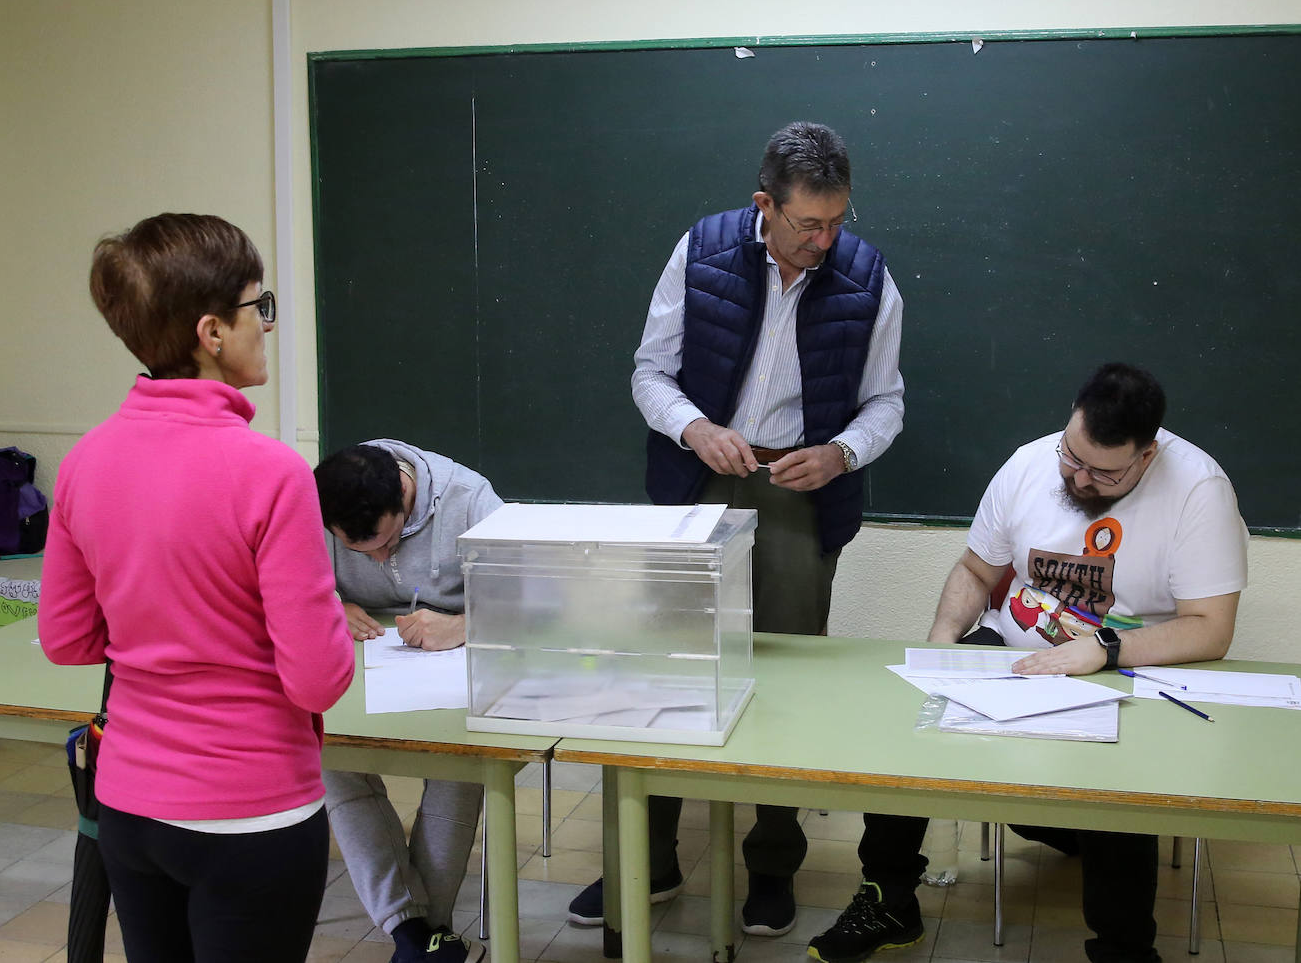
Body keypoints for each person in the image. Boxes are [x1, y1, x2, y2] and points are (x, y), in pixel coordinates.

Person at [568, 121, 906, 937]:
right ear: (765, 205)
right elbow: (650, 371)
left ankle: (772, 866)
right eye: (808, 224)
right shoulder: (702, 250)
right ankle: (646, 859)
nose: (825, 240)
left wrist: (840, 453)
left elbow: (887, 400)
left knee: (786, 679)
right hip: (696, 483)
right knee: (666, 672)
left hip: (798, 488)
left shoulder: (868, 277)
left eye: (837, 220)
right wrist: (692, 428)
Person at [808, 363, 1248, 963]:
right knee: (908, 735)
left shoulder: (1198, 489)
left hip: (1126, 666)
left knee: (1116, 789)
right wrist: (943, 642)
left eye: (1104, 471)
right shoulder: (1030, 463)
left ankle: (1122, 947)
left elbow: (1210, 629)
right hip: (1012, 653)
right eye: (1074, 457)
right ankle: (887, 899)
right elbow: (975, 571)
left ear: (1147, 456)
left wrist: (1103, 650)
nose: (1081, 478)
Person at [38, 213, 356, 963]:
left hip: (130, 807)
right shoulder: (269, 471)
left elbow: (66, 638)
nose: (267, 326)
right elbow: (318, 677)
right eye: (259, 307)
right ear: (211, 332)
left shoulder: (86, 462)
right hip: (251, 812)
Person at [314, 439, 503, 963]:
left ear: (405, 493)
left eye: (386, 540)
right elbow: (274, 578)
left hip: (451, 667)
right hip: (360, 666)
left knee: (459, 757)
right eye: (358, 551)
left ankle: (420, 931)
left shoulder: (471, 500)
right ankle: (416, 934)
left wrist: (466, 624)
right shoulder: (312, 502)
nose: (378, 557)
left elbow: (535, 599)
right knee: (330, 753)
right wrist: (330, 603)